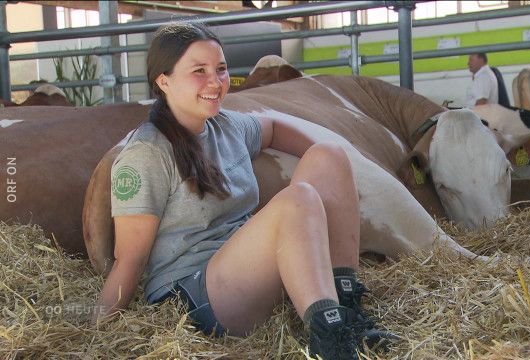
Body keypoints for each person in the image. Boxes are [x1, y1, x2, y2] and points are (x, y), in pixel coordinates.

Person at [91, 22, 395, 360]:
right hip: (195, 298)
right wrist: (97, 333)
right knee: (298, 200)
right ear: (164, 80)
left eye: (220, 69)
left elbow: (274, 128)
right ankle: (330, 340)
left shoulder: (225, 126)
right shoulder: (147, 152)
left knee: (329, 155)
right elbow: (130, 259)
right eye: (199, 71)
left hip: (247, 272)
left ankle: (348, 310)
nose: (215, 82)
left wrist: (321, 159)